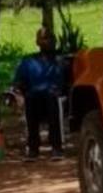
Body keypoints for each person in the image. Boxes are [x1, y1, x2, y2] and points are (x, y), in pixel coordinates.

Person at [11, 27, 68, 159]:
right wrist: (17, 92)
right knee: (30, 100)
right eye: (44, 38)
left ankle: (56, 148)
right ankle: (33, 149)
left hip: (52, 97)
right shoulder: (28, 61)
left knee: (51, 99)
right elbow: (18, 82)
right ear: (37, 42)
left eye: (51, 38)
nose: (48, 41)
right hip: (34, 97)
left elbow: (65, 82)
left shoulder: (59, 61)